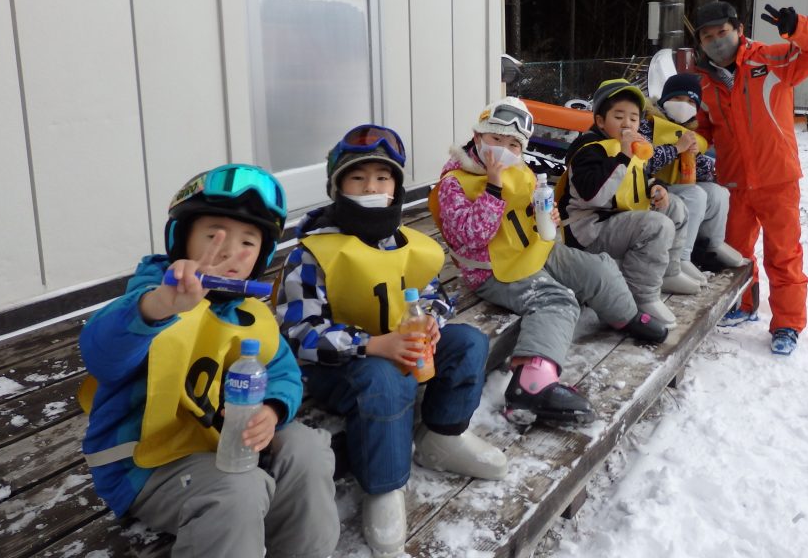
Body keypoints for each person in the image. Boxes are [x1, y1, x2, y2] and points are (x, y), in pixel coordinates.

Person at [79, 164, 339, 558]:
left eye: (248, 242)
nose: (230, 252)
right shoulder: (152, 301)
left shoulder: (252, 314)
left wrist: (271, 408)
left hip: (223, 444)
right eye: (213, 235)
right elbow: (101, 354)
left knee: (307, 447)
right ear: (182, 239)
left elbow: (283, 373)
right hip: (145, 466)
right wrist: (160, 306)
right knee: (239, 488)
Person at [277, 125, 507, 558]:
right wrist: (372, 345)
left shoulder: (405, 243)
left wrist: (432, 321)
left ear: (396, 187)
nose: (371, 187)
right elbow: (300, 332)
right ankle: (383, 485)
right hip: (337, 369)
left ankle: (443, 436)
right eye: (358, 178)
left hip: (402, 348)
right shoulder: (312, 252)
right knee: (386, 379)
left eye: (382, 178)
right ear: (338, 188)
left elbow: (434, 293)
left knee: (468, 344)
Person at [432, 97, 668, 428]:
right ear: (477, 136)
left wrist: (548, 215)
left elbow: (527, 211)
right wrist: (493, 189)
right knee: (557, 300)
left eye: (513, 144)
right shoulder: (455, 183)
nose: (503, 149)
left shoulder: (519, 167)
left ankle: (625, 315)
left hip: (534, 251)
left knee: (596, 267)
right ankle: (531, 385)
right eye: (495, 139)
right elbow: (471, 235)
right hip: (493, 269)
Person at [692, 0, 808, 356]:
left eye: (722, 33)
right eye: (707, 36)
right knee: (735, 254)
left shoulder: (770, 60)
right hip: (734, 182)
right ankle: (742, 305)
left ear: (738, 30)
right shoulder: (702, 82)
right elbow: (704, 129)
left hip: (777, 179)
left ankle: (787, 323)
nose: (716, 41)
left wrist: (797, 28)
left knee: (783, 255)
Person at [560, 79, 701, 327]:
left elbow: (639, 178)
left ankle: (669, 272)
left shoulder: (633, 148)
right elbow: (595, 195)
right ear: (601, 121)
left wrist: (657, 188)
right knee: (657, 226)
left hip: (619, 219)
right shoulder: (588, 149)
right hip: (588, 230)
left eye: (634, 118)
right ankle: (642, 295)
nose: (627, 123)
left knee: (675, 207)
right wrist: (624, 156)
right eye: (619, 116)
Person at [641, 72, 747, 281]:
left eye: (691, 101)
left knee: (717, 193)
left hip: (674, 188)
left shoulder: (689, 131)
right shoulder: (647, 124)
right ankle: (679, 258)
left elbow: (702, 175)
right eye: (678, 99)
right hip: (648, 190)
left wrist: (696, 156)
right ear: (664, 99)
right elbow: (643, 162)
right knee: (695, 194)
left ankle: (712, 245)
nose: (684, 105)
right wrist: (675, 149)